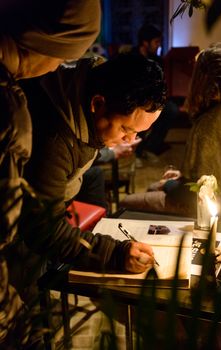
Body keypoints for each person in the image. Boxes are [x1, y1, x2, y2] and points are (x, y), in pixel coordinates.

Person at [7, 53, 165, 321]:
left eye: (138, 133)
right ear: (98, 104)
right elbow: (42, 228)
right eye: (126, 129)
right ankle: (32, 310)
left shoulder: (89, 91)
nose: (131, 139)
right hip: (17, 226)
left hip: (52, 197)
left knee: (92, 178)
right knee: (29, 296)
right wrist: (114, 253)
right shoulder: (55, 139)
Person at [0, 0, 101, 347]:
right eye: (64, 56)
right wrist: (13, 322)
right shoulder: (10, 109)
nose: (61, 67)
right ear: (47, 45)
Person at [120, 42, 221, 219]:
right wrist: (182, 176)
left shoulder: (208, 125)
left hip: (208, 209)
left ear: (203, 79)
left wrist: (168, 184)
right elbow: (217, 172)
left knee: (127, 203)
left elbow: (199, 193)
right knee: (154, 188)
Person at [130, 23, 180, 161]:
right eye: (156, 42)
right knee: (141, 111)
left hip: (152, 98)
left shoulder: (157, 61)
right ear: (145, 43)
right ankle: (136, 150)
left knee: (171, 109)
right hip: (134, 99)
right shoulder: (130, 58)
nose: (158, 45)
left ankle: (151, 146)